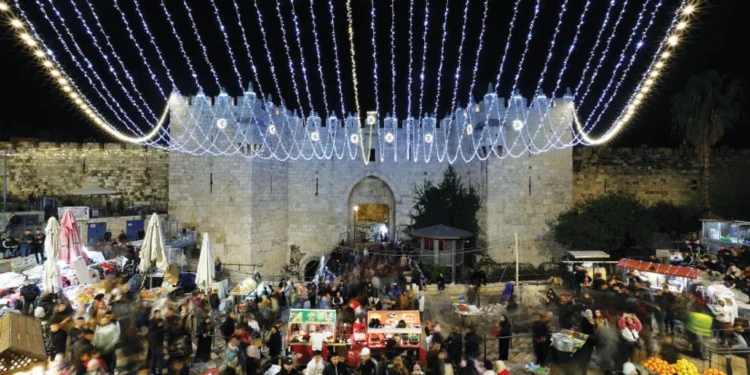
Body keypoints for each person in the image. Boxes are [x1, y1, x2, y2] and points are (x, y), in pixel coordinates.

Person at [149, 310, 167, 374]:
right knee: (154, 357)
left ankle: (160, 372)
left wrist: (162, 327)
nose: (159, 315)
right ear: (154, 314)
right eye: (157, 313)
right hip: (154, 343)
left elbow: (164, 329)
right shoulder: (151, 321)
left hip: (160, 342)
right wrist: (158, 325)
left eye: (159, 313)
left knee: (160, 358)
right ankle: (153, 371)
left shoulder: (161, 320)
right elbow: (151, 330)